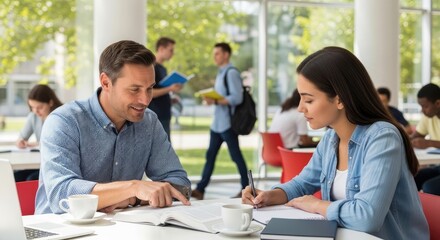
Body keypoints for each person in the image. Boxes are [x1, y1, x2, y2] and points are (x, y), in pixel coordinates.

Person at [242, 47, 428, 239]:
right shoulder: (331, 140)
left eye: (309, 100)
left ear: (339, 99)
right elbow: (302, 184)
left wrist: (316, 205)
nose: (300, 108)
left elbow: (367, 218)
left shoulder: (382, 138)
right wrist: (269, 196)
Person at [35, 40, 191, 214]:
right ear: (106, 82)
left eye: (149, 89)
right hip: (59, 230)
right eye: (134, 89)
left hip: (119, 229)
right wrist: (132, 188)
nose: (145, 100)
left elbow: (180, 182)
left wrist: (133, 197)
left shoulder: (149, 122)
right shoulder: (63, 121)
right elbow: (62, 194)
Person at [191, 43, 248, 200]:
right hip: (217, 124)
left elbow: (237, 98)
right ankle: (200, 189)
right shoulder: (221, 73)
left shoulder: (231, 73)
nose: (214, 56)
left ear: (226, 55)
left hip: (228, 124)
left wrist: (215, 101)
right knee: (210, 156)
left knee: (236, 156)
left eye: (217, 53)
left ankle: (247, 188)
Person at [14, 84, 62, 182]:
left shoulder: (61, 117)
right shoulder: (33, 116)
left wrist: (37, 144)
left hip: (55, 164)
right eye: (32, 107)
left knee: (31, 179)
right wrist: (21, 141)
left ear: (50, 102)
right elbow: (22, 137)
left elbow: (60, 145)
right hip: (39, 162)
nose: (35, 111)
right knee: (15, 177)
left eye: (39, 107)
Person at [148, 37, 183, 140]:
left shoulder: (163, 68)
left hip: (165, 114)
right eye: (171, 50)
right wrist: (170, 89)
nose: (172, 53)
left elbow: (161, 90)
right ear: (161, 49)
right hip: (156, 115)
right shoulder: (151, 67)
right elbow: (149, 92)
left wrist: (169, 98)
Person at [412, 83, 440, 195]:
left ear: (438, 103)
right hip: (438, 166)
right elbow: (416, 136)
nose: (422, 110)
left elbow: (426, 142)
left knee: (429, 187)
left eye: (425, 106)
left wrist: (428, 143)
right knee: (412, 179)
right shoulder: (428, 117)